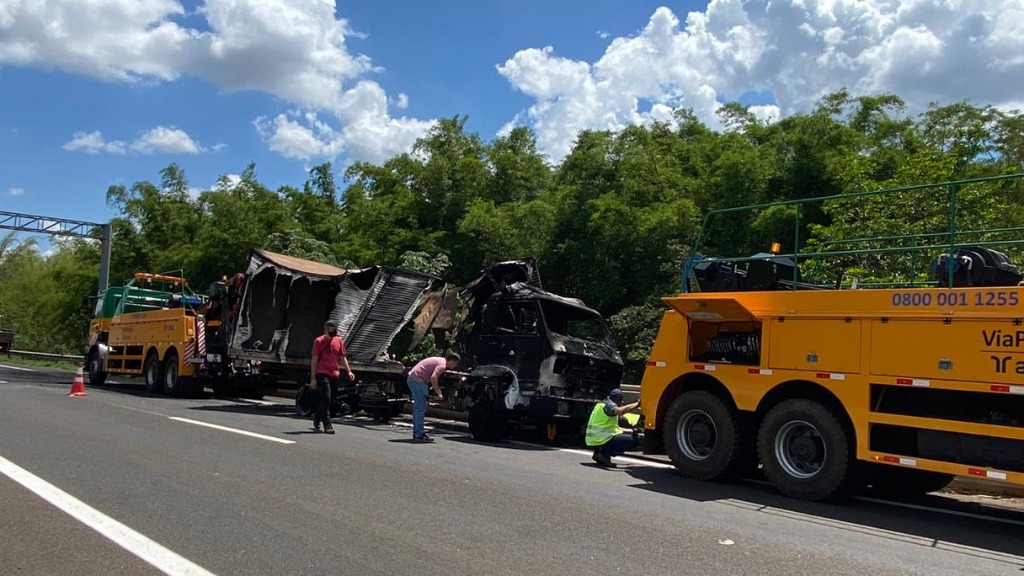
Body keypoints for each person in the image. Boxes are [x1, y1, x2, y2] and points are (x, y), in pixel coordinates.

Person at [309, 320, 355, 434]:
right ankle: (327, 424)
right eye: (330, 329)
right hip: (322, 373)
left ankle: (318, 415)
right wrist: (313, 378)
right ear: (325, 330)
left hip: (334, 374)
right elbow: (314, 360)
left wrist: (348, 371)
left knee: (331, 400)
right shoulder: (318, 341)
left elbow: (342, 357)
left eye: (334, 329)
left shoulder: (338, 341)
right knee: (326, 398)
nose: (332, 331)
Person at [406, 353, 460, 443]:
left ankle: (417, 433)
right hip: (418, 380)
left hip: (413, 378)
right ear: (451, 360)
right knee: (420, 408)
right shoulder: (442, 365)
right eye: (456, 363)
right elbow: (433, 378)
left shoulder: (440, 360)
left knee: (417, 407)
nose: (456, 366)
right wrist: (439, 393)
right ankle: (419, 434)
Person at [586, 388, 641, 467]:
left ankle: (598, 453)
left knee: (631, 435)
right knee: (633, 440)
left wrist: (632, 430)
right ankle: (603, 454)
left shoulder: (601, 404)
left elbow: (614, 428)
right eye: (620, 400)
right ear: (617, 399)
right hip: (601, 439)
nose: (621, 402)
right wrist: (637, 404)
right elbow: (619, 411)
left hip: (595, 439)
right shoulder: (610, 405)